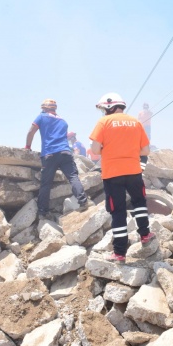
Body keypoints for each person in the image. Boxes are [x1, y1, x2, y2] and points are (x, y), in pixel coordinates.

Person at [89, 92, 154, 262]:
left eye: (104, 109)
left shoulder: (103, 122)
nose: (104, 112)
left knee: (118, 211)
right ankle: (145, 234)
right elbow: (146, 151)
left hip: (112, 174)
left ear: (110, 106)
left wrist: (109, 150)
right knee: (139, 203)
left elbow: (95, 150)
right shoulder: (136, 122)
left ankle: (119, 253)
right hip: (134, 171)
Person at [25, 99, 91, 219]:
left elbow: (31, 132)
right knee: (73, 177)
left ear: (44, 108)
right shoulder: (63, 121)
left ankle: (43, 211)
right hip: (65, 153)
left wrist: (28, 146)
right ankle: (83, 201)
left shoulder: (41, 117)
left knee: (46, 184)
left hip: (49, 154)